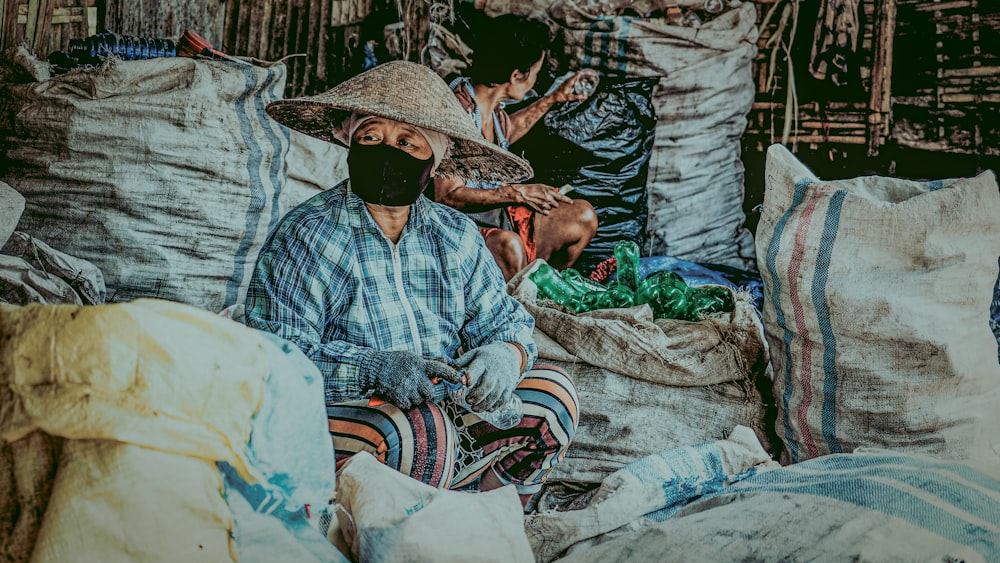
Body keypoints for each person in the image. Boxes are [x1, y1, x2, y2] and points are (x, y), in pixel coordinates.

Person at [244, 60, 579, 509]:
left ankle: (487, 516)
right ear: (350, 143)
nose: (387, 151)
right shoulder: (306, 234)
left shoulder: (454, 236)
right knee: (422, 434)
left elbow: (505, 323)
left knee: (554, 397)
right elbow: (275, 356)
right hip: (346, 417)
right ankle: (401, 533)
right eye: (371, 137)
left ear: (433, 160)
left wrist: (505, 354)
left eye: (407, 142)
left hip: (448, 410)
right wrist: (373, 368)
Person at [433, 14, 600, 281]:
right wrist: (518, 193)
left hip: (497, 218)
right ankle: (518, 303)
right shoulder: (457, 113)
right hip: (457, 229)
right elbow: (447, 196)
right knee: (511, 246)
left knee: (583, 217)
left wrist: (552, 99)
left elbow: (506, 130)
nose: (535, 78)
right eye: (535, 72)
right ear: (516, 75)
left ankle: (539, 290)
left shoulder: (491, 109)